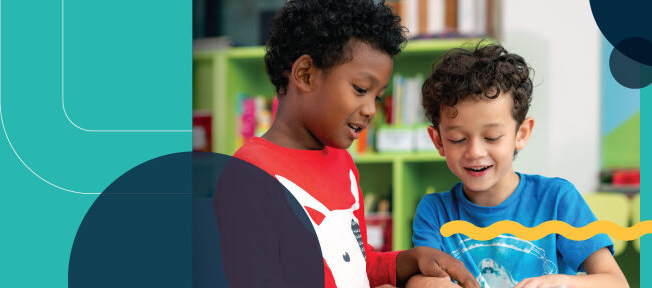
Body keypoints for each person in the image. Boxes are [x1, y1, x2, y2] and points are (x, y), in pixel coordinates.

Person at [212, 1, 478, 287]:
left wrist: (412, 259)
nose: (370, 110)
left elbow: (356, 264)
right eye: (361, 90)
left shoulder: (343, 163)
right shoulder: (250, 175)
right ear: (305, 75)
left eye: (376, 97)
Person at [407, 43, 629, 288]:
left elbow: (615, 282)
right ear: (438, 141)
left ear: (521, 134)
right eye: (458, 139)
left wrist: (562, 283)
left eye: (491, 137)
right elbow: (420, 278)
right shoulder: (435, 212)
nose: (475, 152)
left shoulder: (557, 199)